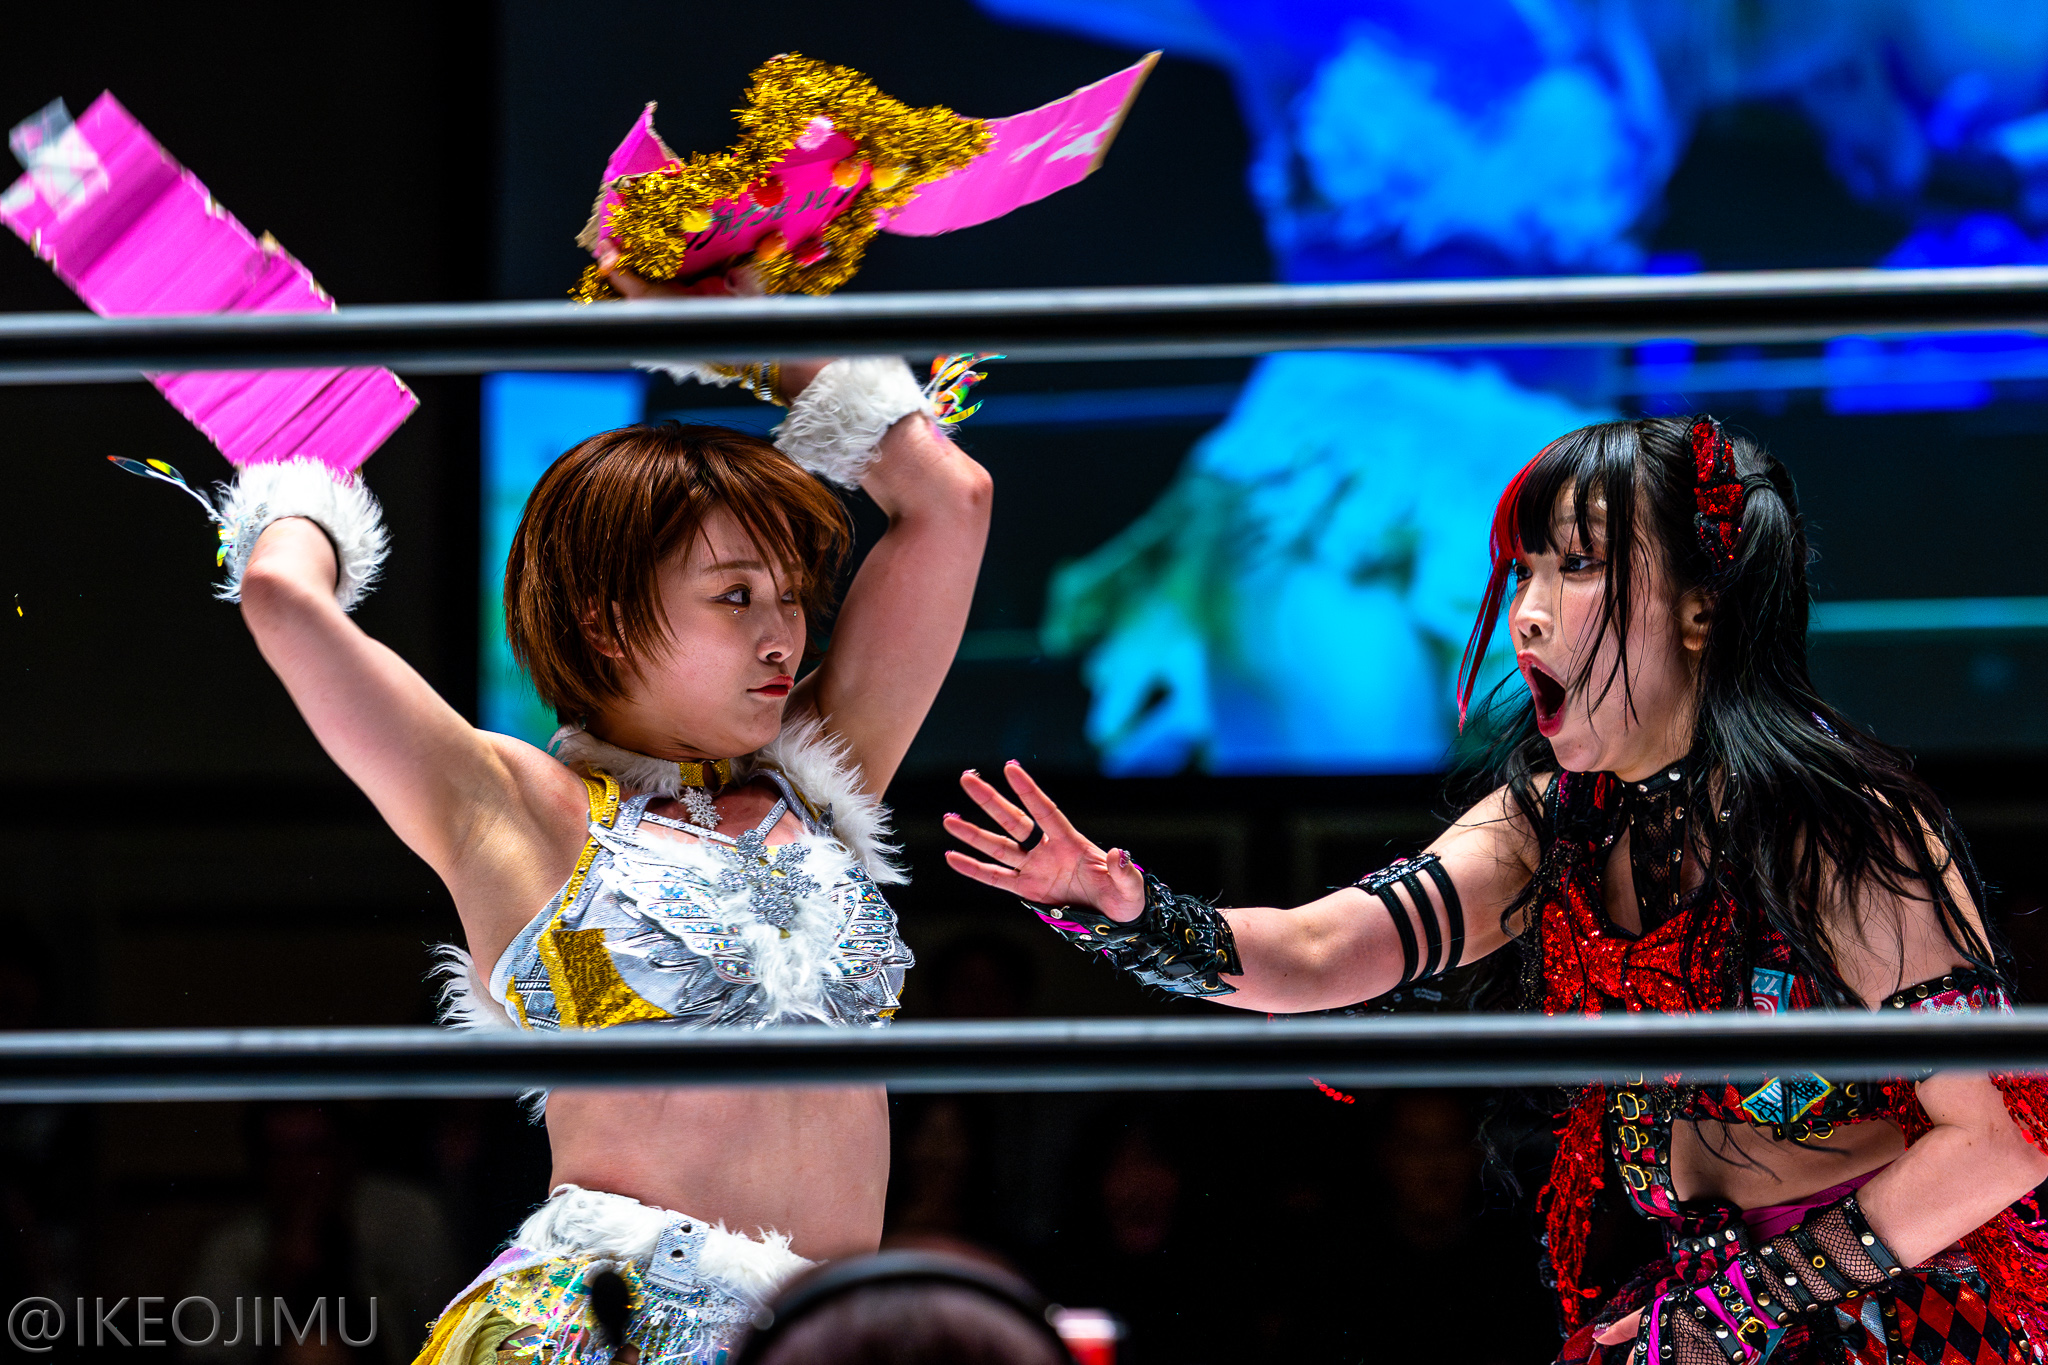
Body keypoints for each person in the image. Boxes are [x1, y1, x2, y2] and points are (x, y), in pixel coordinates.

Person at [947, 414, 2048, 1364]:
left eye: (1578, 566)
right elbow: (1320, 954)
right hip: (1694, 1306)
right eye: (1524, 571)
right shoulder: (1549, 826)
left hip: (1893, 1312)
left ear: (1701, 608)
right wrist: (1120, 907)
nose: (1526, 611)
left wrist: (1742, 1303)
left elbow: (1996, 1142)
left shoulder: (1838, 828)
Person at [207, 280, 990, 1364]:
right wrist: (302, 459)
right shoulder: (520, 809)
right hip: (597, 1334)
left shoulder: (819, 772)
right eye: (734, 596)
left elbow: (950, 498)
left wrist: (732, 328)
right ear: (607, 621)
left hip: (822, 1337)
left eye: (790, 594)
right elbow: (283, 601)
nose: (783, 636)